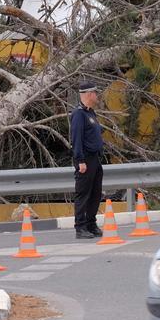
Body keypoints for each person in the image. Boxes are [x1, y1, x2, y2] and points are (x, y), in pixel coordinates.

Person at [70, 82, 105, 239]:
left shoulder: (91, 113)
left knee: (95, 194)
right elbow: (76, 139)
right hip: (85, 160)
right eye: (95, 93)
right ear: (89, 94)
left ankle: (91, 223)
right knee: (83, 194)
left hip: (95, 159)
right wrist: (80, 160)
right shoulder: (79, 114)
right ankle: (80, 227)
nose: (97, 96)